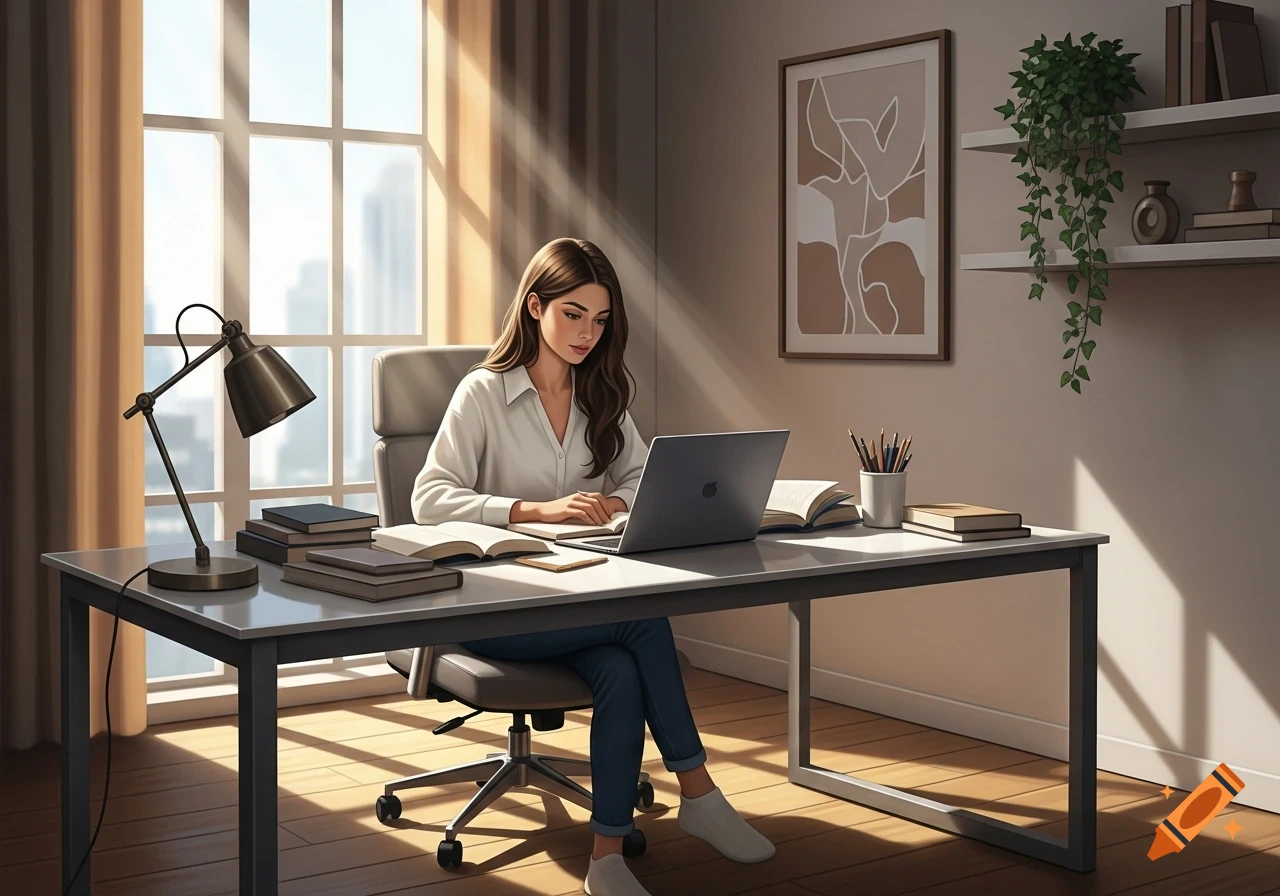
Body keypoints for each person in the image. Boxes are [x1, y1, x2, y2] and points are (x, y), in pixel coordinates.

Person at [411, 237, 775, 895]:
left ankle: (606, 859)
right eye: (573, 313)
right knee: (640, 623)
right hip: (491, 607)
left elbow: (643, 476)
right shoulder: (483, 393)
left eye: (600, 320)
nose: (587, 333)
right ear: (534, 308)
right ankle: (697, 788)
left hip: (578, 603)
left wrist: (620, 502)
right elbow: (429, 496)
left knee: (619, 667)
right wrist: (536, 511)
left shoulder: (600, 392)